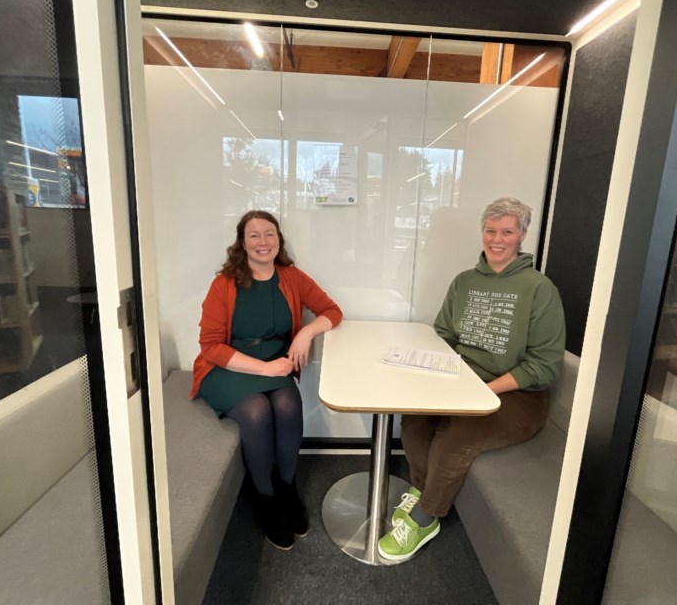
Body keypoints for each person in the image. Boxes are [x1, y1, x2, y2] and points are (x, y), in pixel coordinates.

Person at [378, 196, 566, 561]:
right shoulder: (464, 282)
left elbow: (544, 365)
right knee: (415, 419)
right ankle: (421, 489)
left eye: (507, 232)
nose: (497, 239)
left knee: (458, 434)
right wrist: (431, 372)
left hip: (517, 396)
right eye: (490, 230)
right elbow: (444, 335)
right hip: (462, 383)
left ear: (522, 235)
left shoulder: (540, 289)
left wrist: (481, 390)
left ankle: (426, 518)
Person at [190, 210, 343, 550]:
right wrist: (264, 370)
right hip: (230, 367)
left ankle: (286, 487)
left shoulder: (292, 277)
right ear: (242, 243)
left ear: (279, 241)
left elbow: (332, 311)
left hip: (277, 363)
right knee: (257, 410)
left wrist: (305, 334)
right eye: (254, 235)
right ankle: (264, 496)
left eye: (269, 234)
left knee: (288, 404)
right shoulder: (224, 284)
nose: (263, 242)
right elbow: (211, 346)